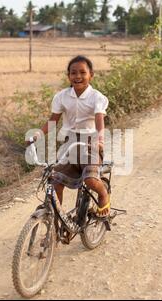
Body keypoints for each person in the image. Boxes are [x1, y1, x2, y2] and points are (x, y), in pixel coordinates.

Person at [28, 55, 111, 217]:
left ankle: (103, 194)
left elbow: (99, 120)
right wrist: (37, 135)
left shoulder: (97, 97)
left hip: (91, 144)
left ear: (91, 75)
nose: (78, 76)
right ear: (68, 76)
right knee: (55, 181)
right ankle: (58, 219)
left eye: (82, 72)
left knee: (90, 180)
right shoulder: (62, 96)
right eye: (73, 73)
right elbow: (53, 121)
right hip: (69, 144)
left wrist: (100, 140)